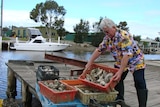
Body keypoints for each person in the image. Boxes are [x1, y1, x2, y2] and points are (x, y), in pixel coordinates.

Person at [81, 18, 148, 107]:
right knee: (116, 80)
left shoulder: (123, 36)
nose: (106, 34)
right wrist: (89, 62)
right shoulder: (108, 38)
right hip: (120, 61)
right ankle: (120, 100)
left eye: (107, 32)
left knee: (139, 81)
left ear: (113, 27)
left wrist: (120, 72)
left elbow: (127, 55)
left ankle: (142, 105)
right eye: (105, 32)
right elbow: (99, 50)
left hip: (135, 60)